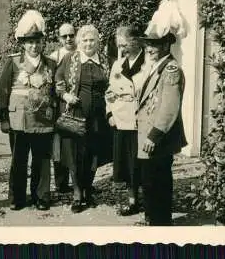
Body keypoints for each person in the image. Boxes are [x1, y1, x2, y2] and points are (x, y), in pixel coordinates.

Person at [0, 10, 57, 211]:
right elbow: (3, 92)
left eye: (38, 41)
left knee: (42, 160)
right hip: (19, 121)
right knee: (18, 161)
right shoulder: (14, 62)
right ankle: (17, 198)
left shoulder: (51, 64)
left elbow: (55, 92)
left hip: (43, 121)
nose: (34, 45)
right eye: (30, 42)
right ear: (23, 43)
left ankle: (41, 196)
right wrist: (3, 118)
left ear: (43, 42)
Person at [136, 0, 187, 226]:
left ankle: (160, 224)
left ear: (167, 45)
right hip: (149, 135)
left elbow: (169, 106)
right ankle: (152, 219)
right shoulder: (157, 66)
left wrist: (154, 135)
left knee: (158, 182)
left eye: (154, 44)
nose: (149, 48)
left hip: (158, 137)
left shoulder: (171, 69)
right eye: (148, 44)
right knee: (149, 181)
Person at [55, 25, 111, 213]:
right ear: (79, 42)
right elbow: (58, 80)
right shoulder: (70, 59)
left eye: (92, 40)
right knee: (75, 154)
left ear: (97, 41)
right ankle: (78, 194)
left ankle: (88, 190)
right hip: (76, 116)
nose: (88, 43)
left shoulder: (104, 60)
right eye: (85, 40)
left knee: (94, 154)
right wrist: (65, 96)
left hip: (98, 117)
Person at [105, 26, 150, 216]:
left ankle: (149, 202)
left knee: (142, 164)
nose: (121, 48)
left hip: (140, 120)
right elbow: (109, 92)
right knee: (126, 165)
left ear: (136, 41)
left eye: (124, 44)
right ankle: (132, 201)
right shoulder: (118, 65)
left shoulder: (148, 64)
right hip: (121, 120)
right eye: (119, 45)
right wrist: (110, 114)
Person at [48, 23, 76, 193]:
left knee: (77, 145)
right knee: (59, 145)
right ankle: (61, 183)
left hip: (77, 106)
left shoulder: (82, 53)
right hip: (59, 106)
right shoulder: (54, 57)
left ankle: (79, 182)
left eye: (71, 35)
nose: (68, 39)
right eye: (64, 36)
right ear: (59, 38)